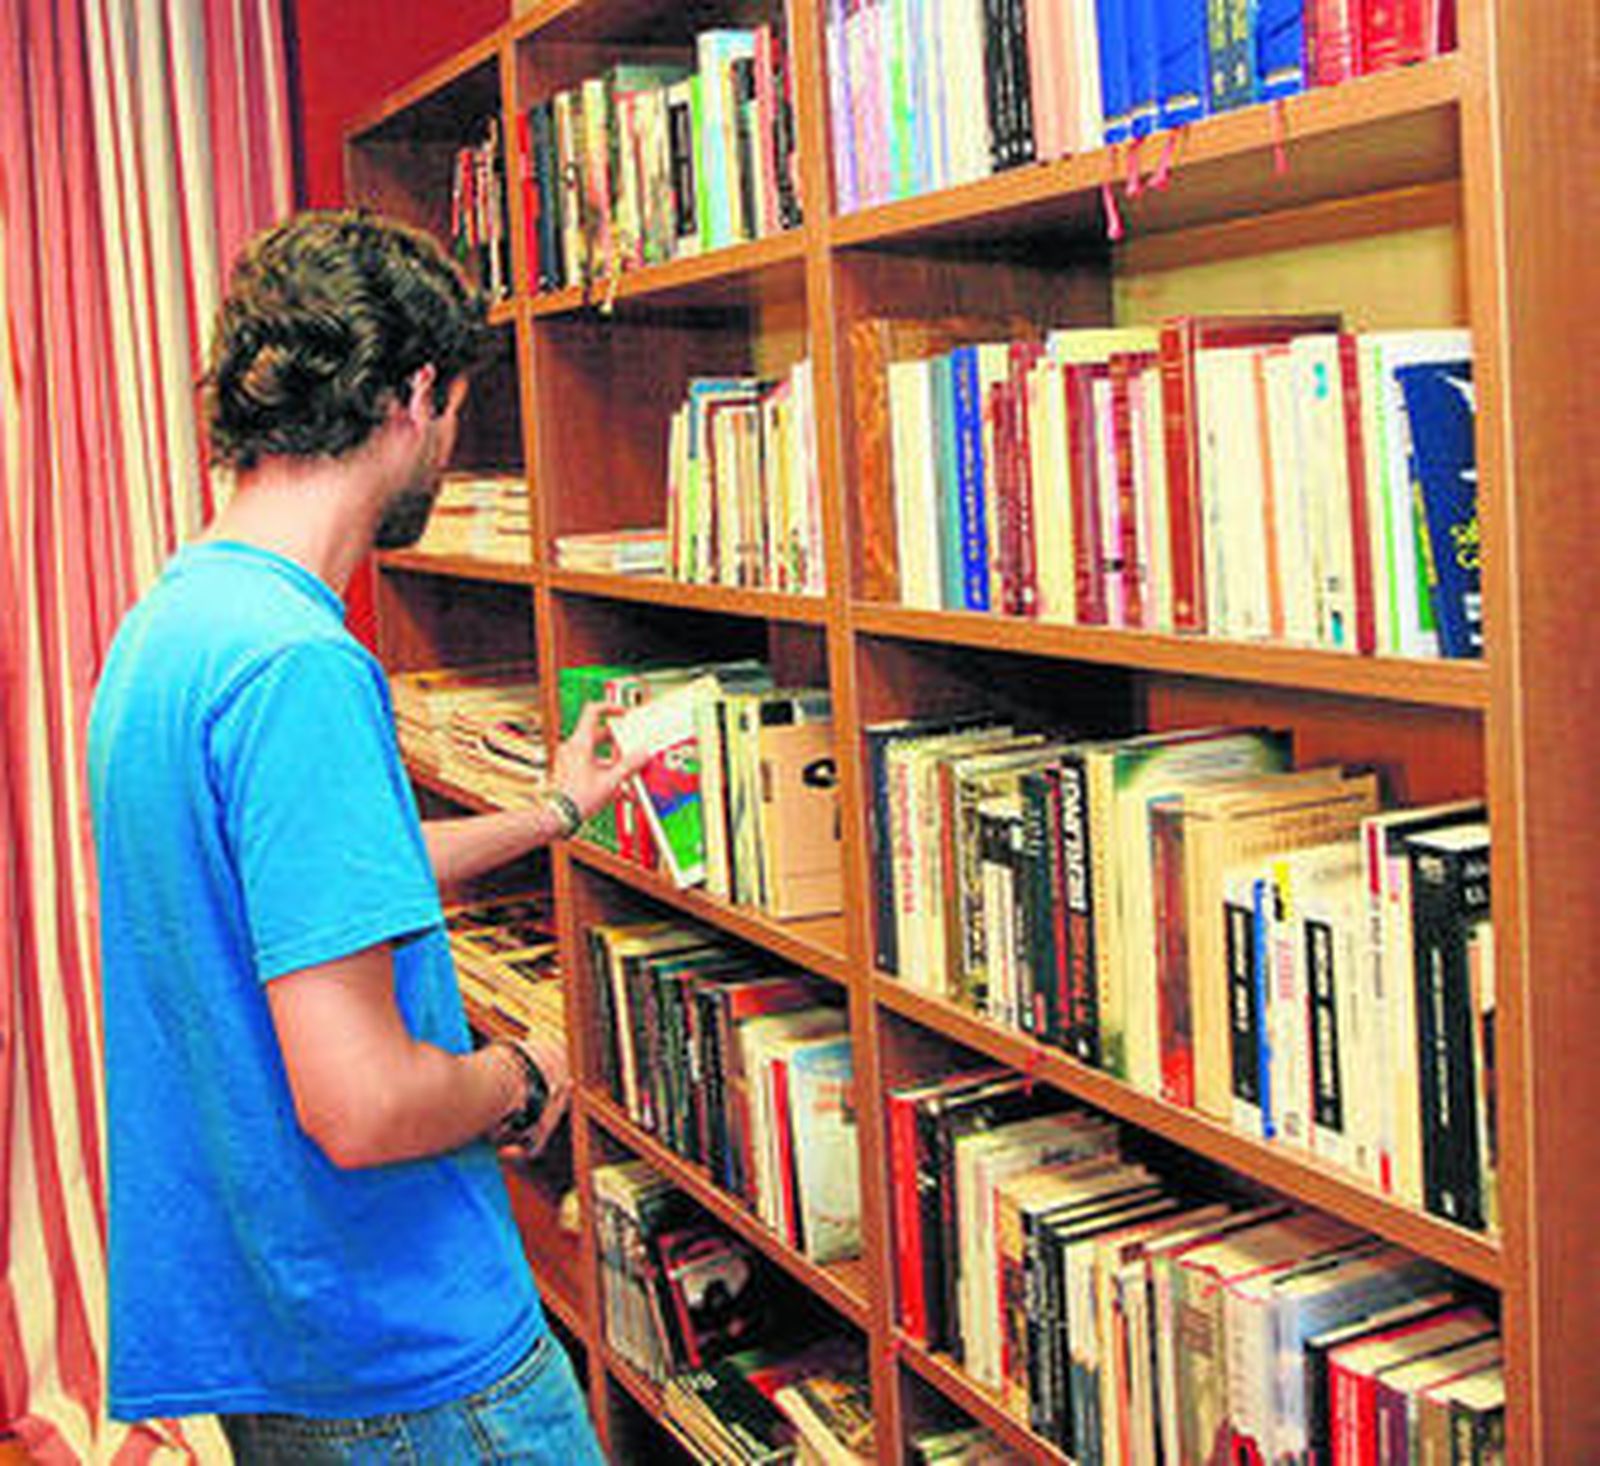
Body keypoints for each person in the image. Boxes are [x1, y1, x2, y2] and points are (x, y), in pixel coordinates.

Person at [88, 210, 634, 1462]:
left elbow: (300, 898)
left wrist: (554, 809)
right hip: (407, 1354)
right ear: (416, 394)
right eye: (456, 415)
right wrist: (526, 1072)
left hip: (279, 1331)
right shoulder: (298, 667)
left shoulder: (177, 624)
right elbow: (368, 1105)